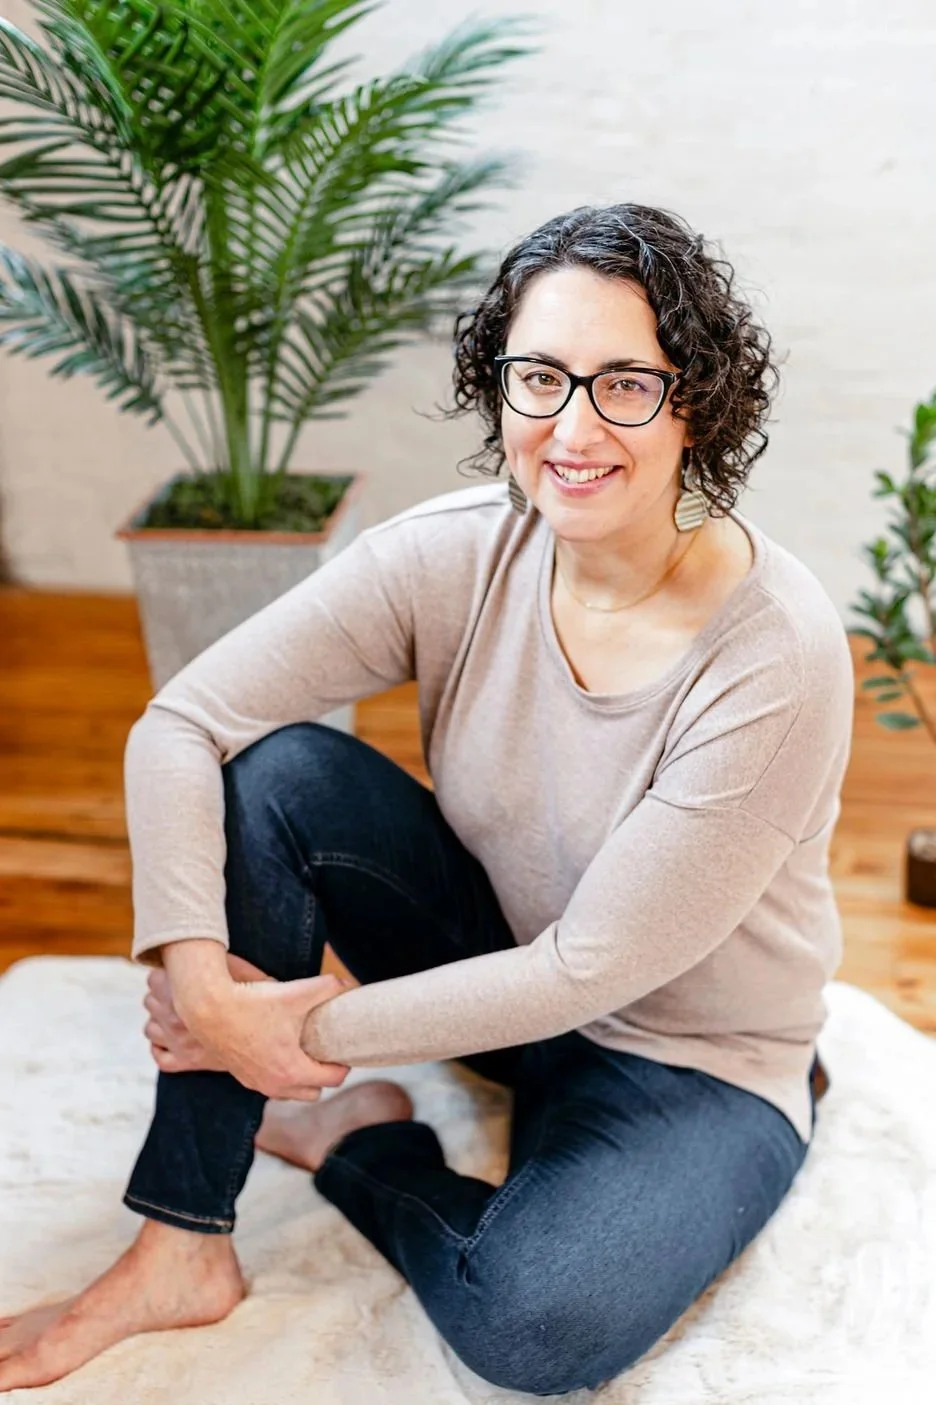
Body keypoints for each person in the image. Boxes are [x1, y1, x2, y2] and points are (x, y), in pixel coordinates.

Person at [0, 203, 852, 1395]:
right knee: (279, 775)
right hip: (505, 976)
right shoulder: (453, 553)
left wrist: (286, 1034)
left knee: (533, 1326)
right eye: (539, 377)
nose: (572, 427)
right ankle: (179, 1240)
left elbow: (588, 969)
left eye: (625, 385)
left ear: (694, 403)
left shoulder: (775, 655)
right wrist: (198, 978)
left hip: (692, 1058)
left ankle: (358, 1140)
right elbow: (182, 722)